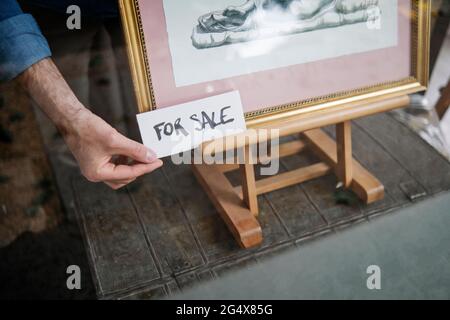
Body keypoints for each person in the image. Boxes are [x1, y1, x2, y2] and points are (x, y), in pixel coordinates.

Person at [0, 0, 163, 190]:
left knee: (127, 92)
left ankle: (129, 166)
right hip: (58, 11)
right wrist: (71, 121)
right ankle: (71, 176)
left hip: (153, 10)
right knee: (68, 92)